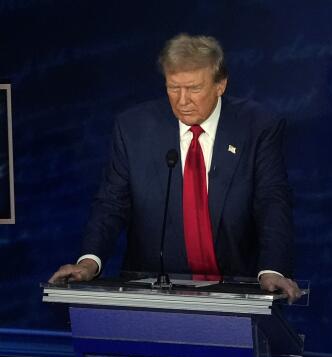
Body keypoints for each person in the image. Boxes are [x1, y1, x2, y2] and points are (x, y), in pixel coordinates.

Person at [48, 33, 301, 302]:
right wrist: (89, 261)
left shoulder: (257, 127)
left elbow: (271, 201)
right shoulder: (133, 128)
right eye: (173, 88)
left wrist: (272, 268)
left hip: (236, 289)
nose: (182, 101)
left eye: (193, 89)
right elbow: (111, 204)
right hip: (151, 291)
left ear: (220, 85)